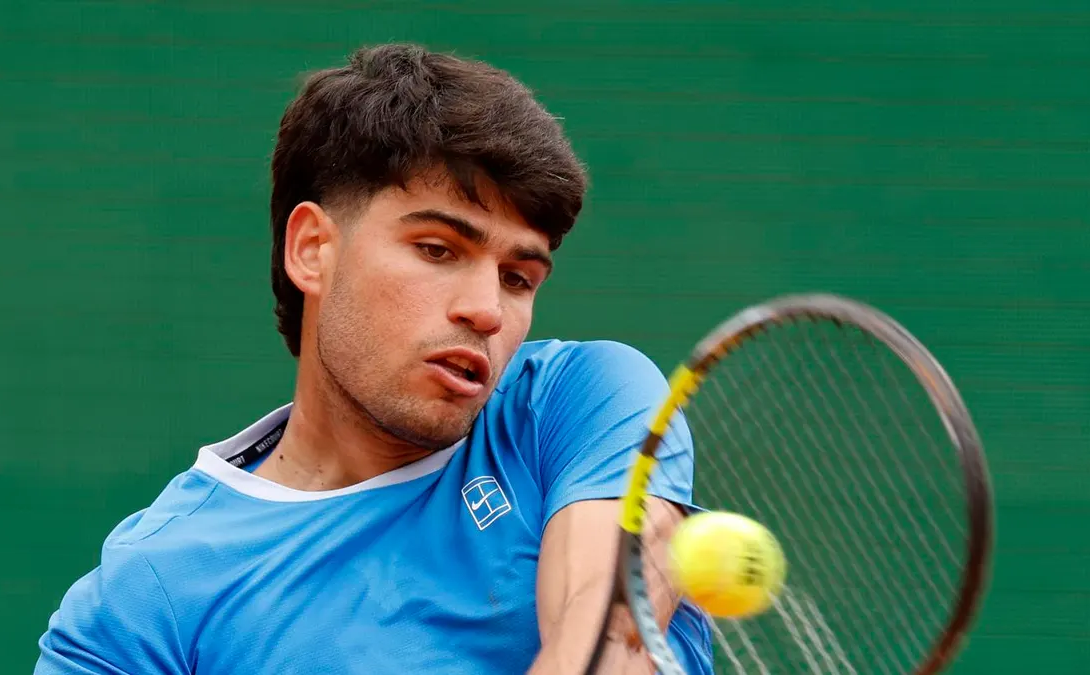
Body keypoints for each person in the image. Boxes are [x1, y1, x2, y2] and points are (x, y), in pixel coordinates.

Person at [35, 43, 711, 674]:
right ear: (311, 249)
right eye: (438, 250)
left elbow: (608, 635)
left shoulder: (579, 403)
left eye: (517, 278)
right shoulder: (146, 599)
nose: (487, 310)